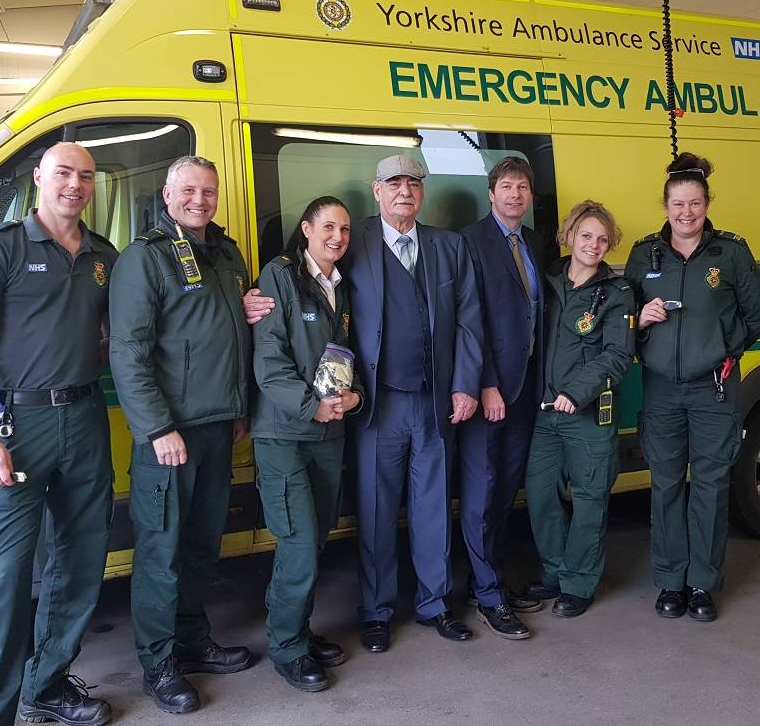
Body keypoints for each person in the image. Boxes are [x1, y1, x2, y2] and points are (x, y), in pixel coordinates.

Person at [245, 155, 483, 653]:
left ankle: (434, 604)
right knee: (374, 510)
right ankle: (376, 611)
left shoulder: (449, 246)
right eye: (393, 183)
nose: (404, 191)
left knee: (433, 507)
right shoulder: (353, 243)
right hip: (375, 404)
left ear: (424, 192)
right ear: (377, 191)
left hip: (434, 401)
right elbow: (307, 281)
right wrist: (251, 298)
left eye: (413, 183)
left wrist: (465, 384)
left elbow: (467, 320)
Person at [0, 142, 117, 726]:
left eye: (86, 177)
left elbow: (118, 332)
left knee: (79, 561)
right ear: (40, 178)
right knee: (5, 571)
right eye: (64, 173)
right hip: (18, 426)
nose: (75, 185)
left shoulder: (105, 256)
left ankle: (45, 688)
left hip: (86, 416)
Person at [109, 156, 253, 714]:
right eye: (189, 190)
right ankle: (159, 661)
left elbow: (224, 332)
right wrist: (157, 426)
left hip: (218, 426)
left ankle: (193, 641)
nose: (200, 199)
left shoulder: (225, 251)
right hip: (170, 433)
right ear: (167, 195)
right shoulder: (145, 257)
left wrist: (239, 408)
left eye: (209, 191)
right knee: (161, 550)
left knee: (199, 546)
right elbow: (130, 351)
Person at [624, 153, 760, 622]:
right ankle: (670, 583)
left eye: (695, 203)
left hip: (715, 390)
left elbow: (758, 313)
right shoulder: (644, 255)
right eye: (677, 204)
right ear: (664, 206)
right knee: (666, 486)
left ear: (707, 203)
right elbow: (620, 318)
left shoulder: (729, 252)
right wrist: (639, 323)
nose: (686, 212)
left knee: (709, 486)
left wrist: (726, 350)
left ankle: (702, 584)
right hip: (662, 389)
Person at [251, 196, 363, 692]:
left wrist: (355, 398)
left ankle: (296, 628)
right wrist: (309, 405)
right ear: (306, 228)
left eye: (344, 229)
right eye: (327, 227)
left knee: (314, 540)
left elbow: (351, 356)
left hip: (329, 431)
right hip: (285, 432)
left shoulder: (343, 284)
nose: (337, 237)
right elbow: (269, 357)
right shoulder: (281, 275)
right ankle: (288, 648)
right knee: (297, 542)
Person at [524, 200, 636, 619]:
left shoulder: (617, 293)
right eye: (586, 235)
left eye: (603, 239)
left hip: (587, 415)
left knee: (589, 501)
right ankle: (555, 573)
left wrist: (576, 391)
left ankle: (579, 582)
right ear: (569, 236)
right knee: (540, 497)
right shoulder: (546, 281)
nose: (594, 245)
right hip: (542, 414)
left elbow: (617, 356)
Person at [458, 157, 551, 639]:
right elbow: (471, 321)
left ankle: (485, 579)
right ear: (491, 194)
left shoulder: (533, 242)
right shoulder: (470, 242)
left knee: (503, 492)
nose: (515, 194)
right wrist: (486, 382)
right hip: (489, 391)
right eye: (506, 186)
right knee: (481, 491)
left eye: (523, 187)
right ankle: (490, 595)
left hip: (527, 390)